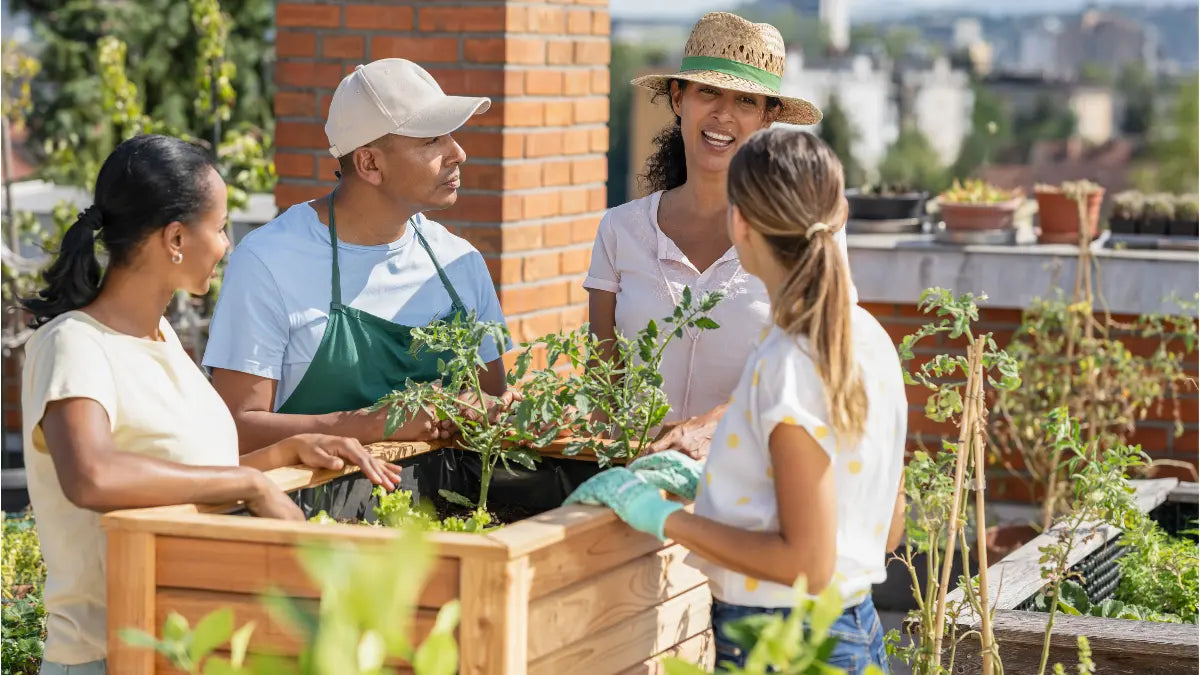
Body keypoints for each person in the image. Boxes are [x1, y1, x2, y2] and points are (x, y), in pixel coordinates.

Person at [20, 134, 402, 675]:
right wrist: (249, 484)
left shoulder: (164, 340)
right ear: (176, 237)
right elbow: (93, 476)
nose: (227, 244)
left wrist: (286, 453)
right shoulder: (73, 345)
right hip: (102, 657)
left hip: (180, 649)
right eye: (220, 227)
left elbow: (180, 480)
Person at [568, 129, 906, 673]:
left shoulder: (788, 363)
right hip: (854, 628)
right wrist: (721, 488)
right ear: (839, 212)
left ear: (739, 223)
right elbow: (887, 528)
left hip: (784, 645)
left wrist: (658, 514)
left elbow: (807, 562)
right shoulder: (866, 339)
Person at [584, 12, 858, 459]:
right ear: (678, 98)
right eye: (708, 91)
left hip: (757, 491)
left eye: (746, 101)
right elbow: (601, 382)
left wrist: (708, 427)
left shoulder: (807, 234)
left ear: (768, 117)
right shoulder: (619, 230)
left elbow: (822, 365)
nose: (723, 114)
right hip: (635, 489)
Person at [204, 59, 512, 453]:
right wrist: (374, 424)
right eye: (432, 140)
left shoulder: (460, 263)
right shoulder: (268, 262)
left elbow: (491, 408)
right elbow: (236, 429)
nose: (459, 153)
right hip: (304, 510)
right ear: (369, 163)